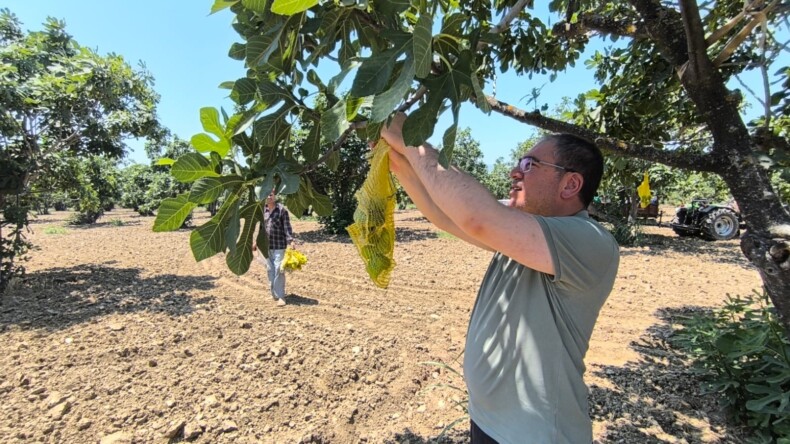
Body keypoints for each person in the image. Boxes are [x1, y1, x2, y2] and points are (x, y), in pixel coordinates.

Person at [381, 113, 620, 444]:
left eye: (529, 164)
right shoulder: (524, 230)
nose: (515, 171)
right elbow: (444, 215)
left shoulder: (588, 240)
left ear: (570, 184)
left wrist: (410, 136)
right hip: (488, 423)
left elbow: (477, 218)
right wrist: (394, 157)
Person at [253, 190, 295, 307]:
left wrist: (290, 240)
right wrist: (256, 242)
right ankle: (274, 294)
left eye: (271, 194)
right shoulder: (262, 210)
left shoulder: (282, 210)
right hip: (266, 246)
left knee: (279, 270)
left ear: (275, 196)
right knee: (270, 270)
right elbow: (262, 228)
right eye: (266, 195)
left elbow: (287, 227)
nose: (269, 197)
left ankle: (281, 296)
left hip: (279, 245)